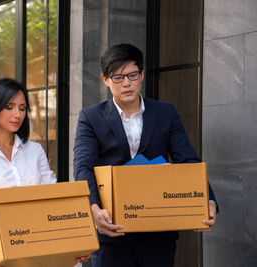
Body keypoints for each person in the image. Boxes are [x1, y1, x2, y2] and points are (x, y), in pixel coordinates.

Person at [73, 43, 218, 267]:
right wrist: (93, 209)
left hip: (158, 234)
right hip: (112, 232)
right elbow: (84, 167)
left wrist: (207, 200)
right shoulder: (90, 117)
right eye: (118, 77)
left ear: (142, 74)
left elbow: (188, 160)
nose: (127, 83)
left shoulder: (165, 112)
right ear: (105, 79)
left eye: (132, 74)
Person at [0, 78, 90, 267]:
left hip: (37, 247)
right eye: (9, 107)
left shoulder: (35, 150)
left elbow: (53, 198)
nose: (17, 114)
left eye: (22, 108)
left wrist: (74, 241)